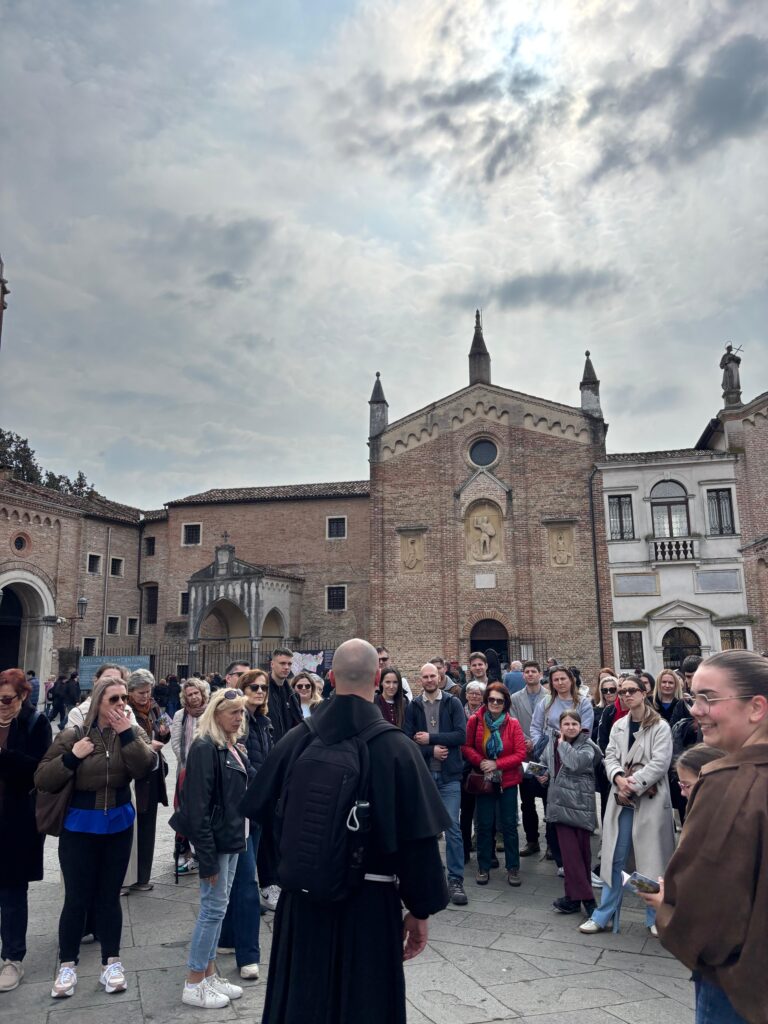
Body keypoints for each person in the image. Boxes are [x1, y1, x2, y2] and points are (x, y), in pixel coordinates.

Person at [242, 638, 450, 1024]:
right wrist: (420, 910)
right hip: (369, 904)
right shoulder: (397, 749)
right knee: (366, 1003)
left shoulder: (296, 739)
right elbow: (419, 841)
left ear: (332, 677)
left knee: (300, 1001)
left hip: (302, 902)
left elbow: (258, 810)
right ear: (377, 679)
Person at [641, 650, 768, 1024]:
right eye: (692, 697)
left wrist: (668, 904)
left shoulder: (728, 782)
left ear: (756, 708)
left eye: (707, 698)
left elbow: (710, 909)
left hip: (739, 985)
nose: (695, 709)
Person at [35, 675, 155, 999]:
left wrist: (127, 734)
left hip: (117, 824)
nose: (120, 705)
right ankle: (67, 964)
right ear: (98, 702)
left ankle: (111, 962)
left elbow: (146, 766)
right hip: (79, 826)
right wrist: (73, 756)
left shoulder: (130, 732)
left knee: (109, 896)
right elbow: (43, 777)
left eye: (123, 699)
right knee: (76, 898)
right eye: (113, 699)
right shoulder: (73, 734)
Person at [579, 675, 674, 936]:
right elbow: (609, 755)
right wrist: (618, 778)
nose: (626, 695)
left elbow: (660, 762)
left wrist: (633, 783)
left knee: (650, 861)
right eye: (622, 692)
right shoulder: (619, 725)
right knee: (613, 859)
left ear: (644, 693)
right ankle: (604, 914)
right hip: (621, 801)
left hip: (649, 801)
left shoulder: (660, 726)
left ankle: (654, 916)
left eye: (631, 690)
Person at [176, 688, 250, 1010]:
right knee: (212, 909)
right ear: (216, 713)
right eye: (233, 711)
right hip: (217, 842)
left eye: (241, 712)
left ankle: (208, 973)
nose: (239, 717)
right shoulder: (205, 747)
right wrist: (206, 861)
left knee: (219, 907)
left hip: (234, 837)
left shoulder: (229, 745)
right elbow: (197, 809)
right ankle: (194, 981)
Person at [218, 669, 273, 981]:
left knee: (237, 879)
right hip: (241, 811)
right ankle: (248, 954)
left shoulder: (264, 722)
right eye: (254, 686)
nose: (260, 691)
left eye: (263, 687)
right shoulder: (238, 724)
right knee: (247, 883)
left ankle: (226, 938)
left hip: (259, 807)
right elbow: (246, 765)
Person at [0, 668, 52, 993]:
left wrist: (4, 756)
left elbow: (39, 770)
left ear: (22, 697)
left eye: (6, 699)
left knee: (12, 892)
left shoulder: (37, 723)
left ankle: (12, 958)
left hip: (16, 820)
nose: (1, 705)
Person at [403, 662, 468, 906]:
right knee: (427, 829)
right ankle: (432, 875)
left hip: (449, 776)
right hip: (425, 776)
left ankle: (455, 880)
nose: (430, 680)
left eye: (433, 675)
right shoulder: (414, 706)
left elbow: (461, 735)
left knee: (452, 828)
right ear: (420, 680)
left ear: (440, 677)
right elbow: (409, 741)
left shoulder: (452, 704)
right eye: (425, 677)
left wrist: (431, 738)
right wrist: (431, 751)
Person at [462, 682, 527, 887]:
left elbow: (520, 753)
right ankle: (483, 866)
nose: (495, 703)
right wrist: (481, 762)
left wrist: (496, 763)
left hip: (507, 780)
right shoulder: (475, 720)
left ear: (505, 702)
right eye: (491, 699)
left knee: (508, 825)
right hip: (484, 780)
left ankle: (513, 867)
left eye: (499, 700)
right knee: (484, 824)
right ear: (486, 700)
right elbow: (466, 746)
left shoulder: (513, 724)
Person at [541, 710, 602, 915]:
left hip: (580, 806)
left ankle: (584, 899)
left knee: (581, 856)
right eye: (566, 724)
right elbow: (546, 763)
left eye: (574, 724)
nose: (570, 728)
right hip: (560, 805)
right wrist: (542, 773)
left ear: (580, 726)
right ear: (560, 726)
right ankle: (576, 899)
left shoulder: (587, 745)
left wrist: (562, 744)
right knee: (570, 856)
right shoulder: (553, 743)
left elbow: (575, 764)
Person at [125, 669, 170, 891]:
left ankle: (143, 876)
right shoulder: (126, 710)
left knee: (148, 826)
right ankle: (126, 876)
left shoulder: (154, 707)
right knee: (131, 827)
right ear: (130, 692)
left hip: (153, 772)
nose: (145, 696)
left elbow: (165, 733)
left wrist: (163, 732)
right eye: (140, 692)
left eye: (148, 691)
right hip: (135, 774)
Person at [170, 678, 210, 874]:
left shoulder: (212, 712)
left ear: (202, 694)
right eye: (189, 695)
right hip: (185, 771)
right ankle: (183, 852)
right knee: (183, 811)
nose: (194, 697)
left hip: (206, 771)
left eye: (196, 693)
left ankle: (201, 853)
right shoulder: (180, 715)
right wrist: (187, 765)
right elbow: (176, 742)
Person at [510, 661, 547, 856]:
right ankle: (532, 840)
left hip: (545, 755)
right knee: (526, 800)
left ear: (540, 674)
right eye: (527, 672)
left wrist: (538, 741)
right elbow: (513, 721)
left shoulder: (549, 696)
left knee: (548, 798)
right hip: (524, 754)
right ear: (522, 675)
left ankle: (551, 842)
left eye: (534, 671)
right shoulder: (515, 698)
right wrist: (527, 741)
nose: (530, 674)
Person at [459, 681, 485, 863]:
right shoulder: (458, 711)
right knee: (466, 812)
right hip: (463, 767)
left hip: (483, 767)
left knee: (484, 812)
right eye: (471, 693)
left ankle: (486, 851)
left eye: (478, 694)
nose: (474, 696)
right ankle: (465, 849)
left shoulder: (488, 713)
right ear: (466, 695)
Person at [265, 650, 302, 741]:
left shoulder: (293, 694)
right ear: (272, 664)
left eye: (289, 664)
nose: (286, 667)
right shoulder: (262, 691)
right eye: (282, 663)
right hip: (270, 747)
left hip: (289, 748)